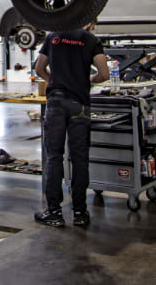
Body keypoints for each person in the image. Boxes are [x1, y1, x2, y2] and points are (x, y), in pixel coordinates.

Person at [34, 22, 109, 228]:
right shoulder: (91, 40)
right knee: (80, 159)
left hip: (56, 103)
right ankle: (80, 212)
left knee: (54, 157)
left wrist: (54, 81)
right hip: (80, 105)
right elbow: (104, 74)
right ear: (91, 22)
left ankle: (54, 212)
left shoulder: (53, 36)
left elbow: (39, 69)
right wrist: (86, 81)